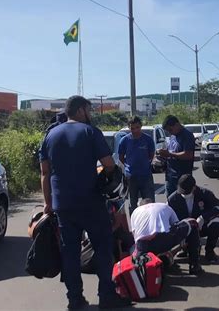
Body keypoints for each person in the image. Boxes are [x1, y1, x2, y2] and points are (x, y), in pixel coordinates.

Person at [39, 95, 131, 310]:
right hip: (90, 202)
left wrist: (48, 202)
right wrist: (108, 179)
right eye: (89, 110)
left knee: (70, 252)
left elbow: (44, 172)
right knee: (102, 248)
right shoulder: (90, 132)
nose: (90, 114)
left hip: (63, 204)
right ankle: (106, 296)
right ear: (80, 110)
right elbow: (108, 164)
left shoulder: (50, 135)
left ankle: (75, 299)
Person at [130, 199, 204, 275]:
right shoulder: (164, 206)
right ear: (153, 203)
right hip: (163, 239)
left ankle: (154, 266)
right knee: (192, 223)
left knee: (140, 257)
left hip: (142, 245)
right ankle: (194, 265)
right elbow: (176, 224)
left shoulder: (135, 212)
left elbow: (135, 235)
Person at [168, 174, 219, 263]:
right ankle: (185, 249)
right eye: (182, 192)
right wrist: (179, 235)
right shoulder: (173, 199)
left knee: (217, 221)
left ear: (194, 187)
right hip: (184, 229)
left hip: (201, 227)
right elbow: (167, 219)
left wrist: (203, 218)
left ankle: (209, 251)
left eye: (186, 192)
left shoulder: (204, 193)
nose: (184, 194)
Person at [118, 116, 156, 211]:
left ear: (141, 126)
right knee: (132, 203)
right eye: (132, 128)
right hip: (131, 177)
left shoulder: (148, 140)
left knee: (149, 203)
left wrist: (144, 164)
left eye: (137, 127)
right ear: (129, 128)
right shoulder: (124, 141)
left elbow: (151, 155)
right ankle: (135, 224)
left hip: (145, 176)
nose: (135, 130)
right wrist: (129, 166)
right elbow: (121, 157)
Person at [157, 115, 195, 199]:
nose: (170, 132)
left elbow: (188, 155)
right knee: (170, 203)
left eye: (170, 129)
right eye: (168, 131)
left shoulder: (187, 135)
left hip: (182, 178)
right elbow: (171, 150)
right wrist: (162, 155)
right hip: (170, 176)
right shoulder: (173, 136)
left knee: (182, 203)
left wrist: (169, 154)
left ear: (177, 124)